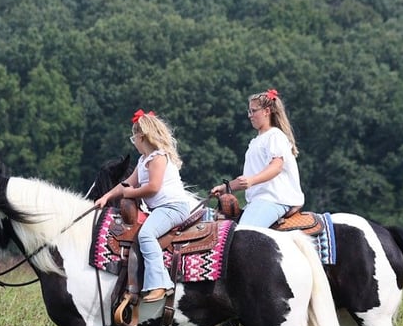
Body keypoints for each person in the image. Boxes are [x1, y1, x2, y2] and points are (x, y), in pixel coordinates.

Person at [95, 109, 192, 302]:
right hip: (162, 209)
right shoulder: (143, 160)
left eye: (134, 138)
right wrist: (106, 197)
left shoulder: (158, 158)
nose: (134, 143)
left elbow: (153, 187)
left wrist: (131, 194)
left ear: (141, 137)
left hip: (173, 207)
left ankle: (160, 284)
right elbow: (127, 184)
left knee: (146, 235)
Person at [210, 88, 304, 227]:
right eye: (249, 111)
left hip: (273, 200)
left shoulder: (275, 135)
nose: (250, 115)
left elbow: (276, 166)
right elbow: (247, 178)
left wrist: (252, 180)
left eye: (253, 111)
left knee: (243, 233)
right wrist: (226, 187)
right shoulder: (256, 141)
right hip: (258, 201)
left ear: (266, 111)